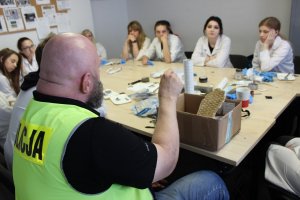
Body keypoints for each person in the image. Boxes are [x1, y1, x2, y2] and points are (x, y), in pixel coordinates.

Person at [13, 33, 229, 200]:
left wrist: (130, 166)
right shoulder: (91, 133)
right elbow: (166, 161)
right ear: (86, 82)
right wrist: (168, 98)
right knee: (212, 180)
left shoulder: (33, 110)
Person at [3, 33, 55, 171]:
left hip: (15, 155)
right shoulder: (45, 90)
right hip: (23, 164)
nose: (30, 50)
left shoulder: (33, 81)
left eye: (32, 46)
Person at [0, 48, 22, 150]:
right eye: (12, 61)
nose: (15, 65)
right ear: (2, 59)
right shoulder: (2, 78)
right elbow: (10, 101)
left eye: (16, 63)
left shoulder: (5, 77)